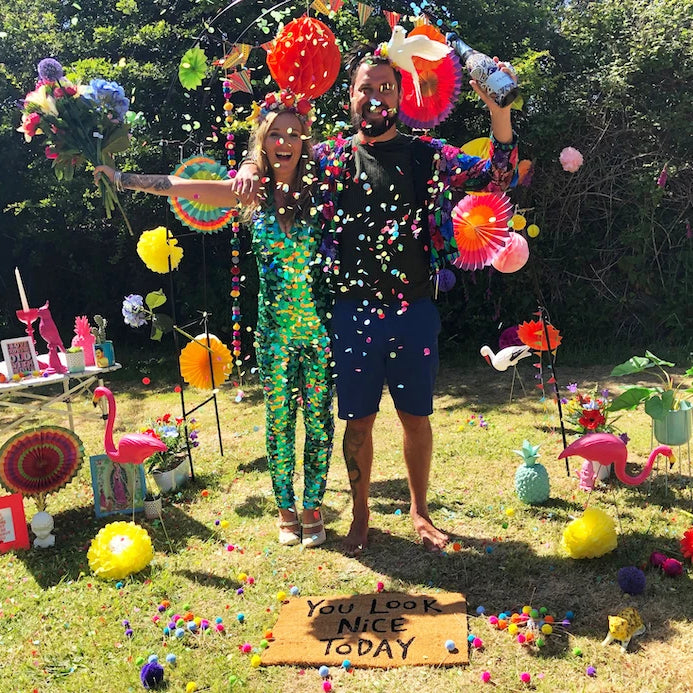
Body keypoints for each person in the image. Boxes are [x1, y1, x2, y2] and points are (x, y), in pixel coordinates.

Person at [237, 37, 519, 555]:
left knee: (416, 418)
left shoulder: (425, 154)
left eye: (386, 89)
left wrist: (498, 113)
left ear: (400, 96)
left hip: (414, 310)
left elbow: (498, 179)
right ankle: (361, 516)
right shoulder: (329, 159)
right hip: (349, 313)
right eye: (366, 88)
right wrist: (252, 167)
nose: (376, 97)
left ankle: (419, 510)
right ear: (349, 98)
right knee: (357, 421)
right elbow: (279, 157)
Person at [95, 94, 333, 547]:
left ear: (305, 140)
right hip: (276, 334)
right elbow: (183, 187)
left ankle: (312, 507)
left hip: (319, 334)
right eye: (275, 134)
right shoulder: (250, 192)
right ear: (262, 142)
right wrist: (123, 178)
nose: (285, 142)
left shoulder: (322, 191)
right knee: (280, 420)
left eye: (293, 134)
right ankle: (286, 510)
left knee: (319, 421)